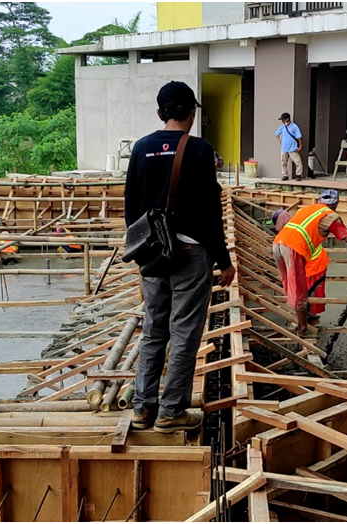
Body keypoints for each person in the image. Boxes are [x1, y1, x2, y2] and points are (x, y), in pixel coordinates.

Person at [125, 80, 236, 433]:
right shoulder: (200, 150)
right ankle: (171, 410)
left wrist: (144, 255)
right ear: (191, 113)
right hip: (190, 254)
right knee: (185, 333)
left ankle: (143, 408)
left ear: (160, 113)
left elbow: (131, 211)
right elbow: (210, 213)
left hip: (153, 258)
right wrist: (224, 261)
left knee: (154, 329)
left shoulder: (141, 149)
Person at [273, 189, 347, 336]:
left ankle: (297, 317)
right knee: (299, 288)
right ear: (335, 205)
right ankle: (302, 327)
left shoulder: (308, 209)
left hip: (278, 243)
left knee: (288, 283)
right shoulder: (330, 215)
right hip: (294, 247)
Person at [275, 112, 304, 181]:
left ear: (287, 119)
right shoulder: (282, 127)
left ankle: (298, 174)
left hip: (293, 148)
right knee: (283, 162)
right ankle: (285, 174)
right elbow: (276, 134)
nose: (282, 121)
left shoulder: (294, 126)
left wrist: (300, 146)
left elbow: (299, 137)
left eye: (283, 119)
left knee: (298, 162)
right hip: (284, 148)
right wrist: (280, 141)